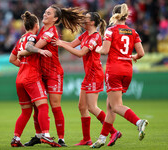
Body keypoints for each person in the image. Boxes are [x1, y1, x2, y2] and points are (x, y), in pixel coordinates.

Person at [17, 5, 86, 147]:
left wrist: (21, 52)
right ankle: (39, 135)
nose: (45, 15)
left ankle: (61, 138)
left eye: (48, 13)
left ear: (55, 19)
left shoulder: (51, 32)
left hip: (54, 73)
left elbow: (35, 49)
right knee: (38, 106)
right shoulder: (42, 29)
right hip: (40, 73)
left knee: (55, 106)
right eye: (45, 12)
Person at [53, 12, 121, 146]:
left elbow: (80, 53)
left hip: (95, 74)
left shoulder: (95, 37)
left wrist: (61, 44)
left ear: (92, 22)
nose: (83, 20)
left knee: (92, 107)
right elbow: (72, 45)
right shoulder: (85, 35)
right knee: (82, 106)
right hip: (89, 74)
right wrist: (59, 42)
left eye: (86, 18)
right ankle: (86, 139)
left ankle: (113, 132)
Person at [90, 3, 148, 148]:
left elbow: (104, 50)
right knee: (110, 106)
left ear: (113, 15)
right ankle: (102, 138)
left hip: (114, 69)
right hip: (127, 70)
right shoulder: (133, 32)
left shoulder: (111, 30)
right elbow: (141, 53)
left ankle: (138, 122)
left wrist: (95, 48)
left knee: (116, 106)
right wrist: (133, 57)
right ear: (126, 16)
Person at [9, 11, 61, 147]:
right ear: (36, 25)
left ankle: (16, 138)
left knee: (26, 111)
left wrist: (24, 66)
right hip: (32, 77)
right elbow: (29, 47)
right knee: (43, 106)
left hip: (20, 78)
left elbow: (11, 59)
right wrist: (40, 51)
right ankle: (46, 135)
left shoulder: (20, 38)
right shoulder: (32, 37)